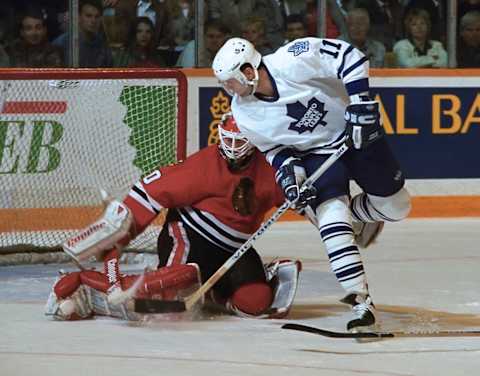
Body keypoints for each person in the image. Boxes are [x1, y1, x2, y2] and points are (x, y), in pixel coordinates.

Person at [212, 37, 411, 331]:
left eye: (231, 81)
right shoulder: (243, 112)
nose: (228, 89)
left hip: (354, 130)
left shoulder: (292, 57)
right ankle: (361, 301)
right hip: (316, 156)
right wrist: (291, 179)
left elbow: (350, 56)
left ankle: (357, 214)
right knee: (332, 221)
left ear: (249, 70)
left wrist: (361, 104)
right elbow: (275, 151)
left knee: (397, 208)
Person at [45, 114, 301, 321]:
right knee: (166, 304)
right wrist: (120, 234)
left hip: (234, 248)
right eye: (228, 140)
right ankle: (87, 286)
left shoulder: (271, 167)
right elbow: (147, 194)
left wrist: (310, 198)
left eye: (240, 141)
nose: (232, 148)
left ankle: (210, 292)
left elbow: (303, 199)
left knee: (254, 303)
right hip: (189, 237)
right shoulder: (204, 166)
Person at [53, 0, 113, 67]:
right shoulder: (61, 43)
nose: (93, 21)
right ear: (78, 17)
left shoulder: (103, 46)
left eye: (97, 16)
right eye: (88, 16)